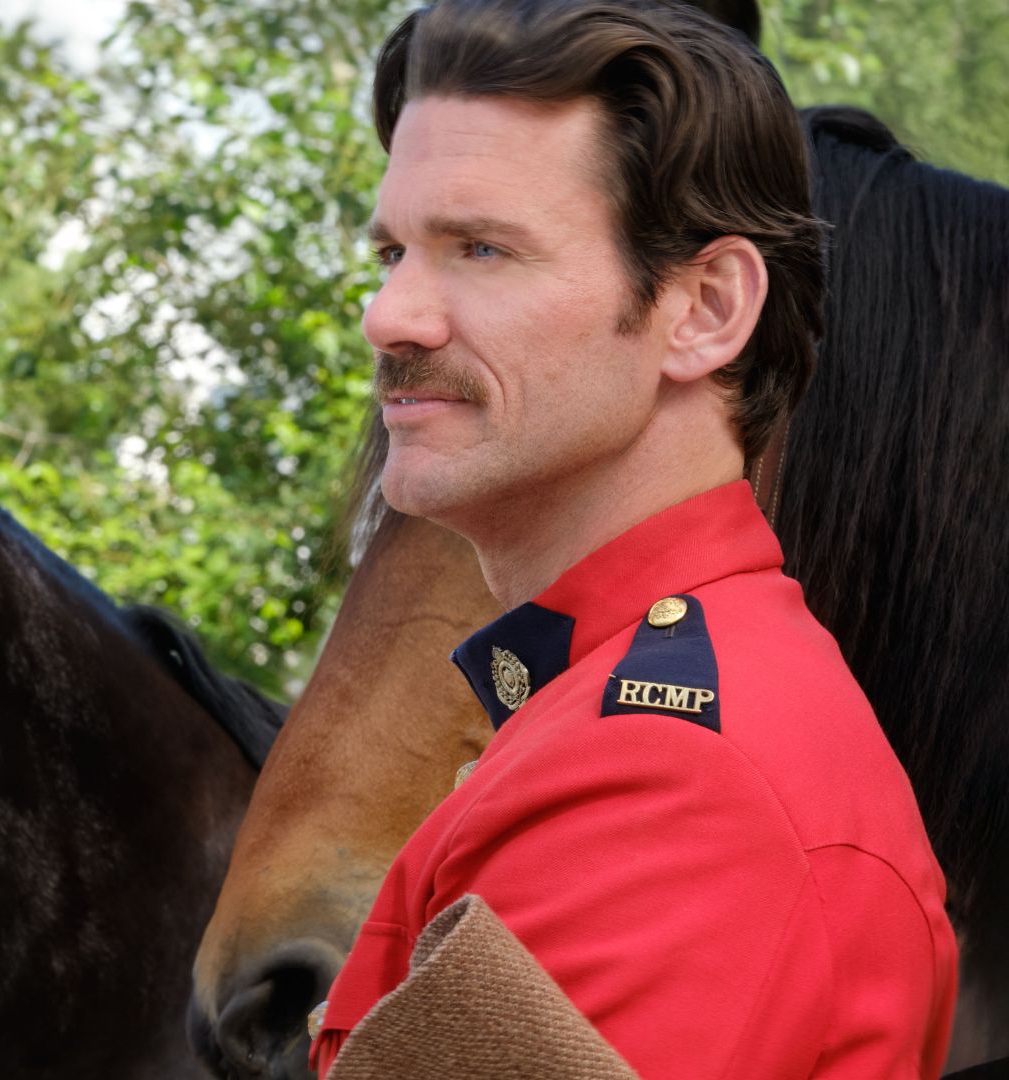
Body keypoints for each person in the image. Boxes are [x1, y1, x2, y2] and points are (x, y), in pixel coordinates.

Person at [311, 1, 957, 1077]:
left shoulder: (663, 786)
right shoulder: (604, 710)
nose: (392, 316)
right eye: (393, 250)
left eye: (482, 248)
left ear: (704, 308)